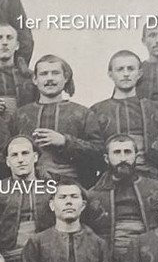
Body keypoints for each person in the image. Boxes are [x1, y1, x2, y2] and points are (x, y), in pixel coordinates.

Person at [10, 55, 102, 184]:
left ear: (65, 78)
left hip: (72, 188)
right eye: (44, 74)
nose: (49, 78)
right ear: (35, 79)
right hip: (29, 188)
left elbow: (99, 155)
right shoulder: (20, 115)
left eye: (55, 73)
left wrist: (65, 142)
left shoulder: (83, 114)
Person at [90, 50, 158, 183]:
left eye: (130, 69)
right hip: (110, 181)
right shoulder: (97, 111)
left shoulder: (155, 110)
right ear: (110, 74)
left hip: (149, 179)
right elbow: (91, 152)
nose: (126, 74)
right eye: (120, 69)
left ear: (139, 74)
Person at [87, 135, 158, 262]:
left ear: (136, 156)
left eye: (127, 152)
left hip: (149, 256)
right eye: (117, 153)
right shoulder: (94, 194)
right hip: (110, 259)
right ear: (106, 159)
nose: (123, 158)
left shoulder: (155, 188)